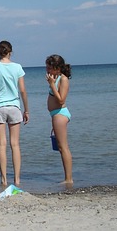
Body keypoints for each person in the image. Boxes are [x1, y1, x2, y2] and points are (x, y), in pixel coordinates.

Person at [0, 40, 29, 187]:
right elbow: (22, 90)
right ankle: (17, 179)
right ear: (10, 52)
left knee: (1, 144)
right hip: (14, 106)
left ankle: (3, 179)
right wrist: (26, 110)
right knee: (15, 145)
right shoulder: (17, 67)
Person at [46, 54, 73, 185]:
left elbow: (61, 99)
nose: (47, 70)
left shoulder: (63, 79)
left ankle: (68, 178)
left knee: (63, 147)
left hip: (60, 113)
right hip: (56, 115)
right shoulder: (55, 78)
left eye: (50, 68)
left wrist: (52, 85)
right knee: (60, 147)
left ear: (57, 68)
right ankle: (67, 177)